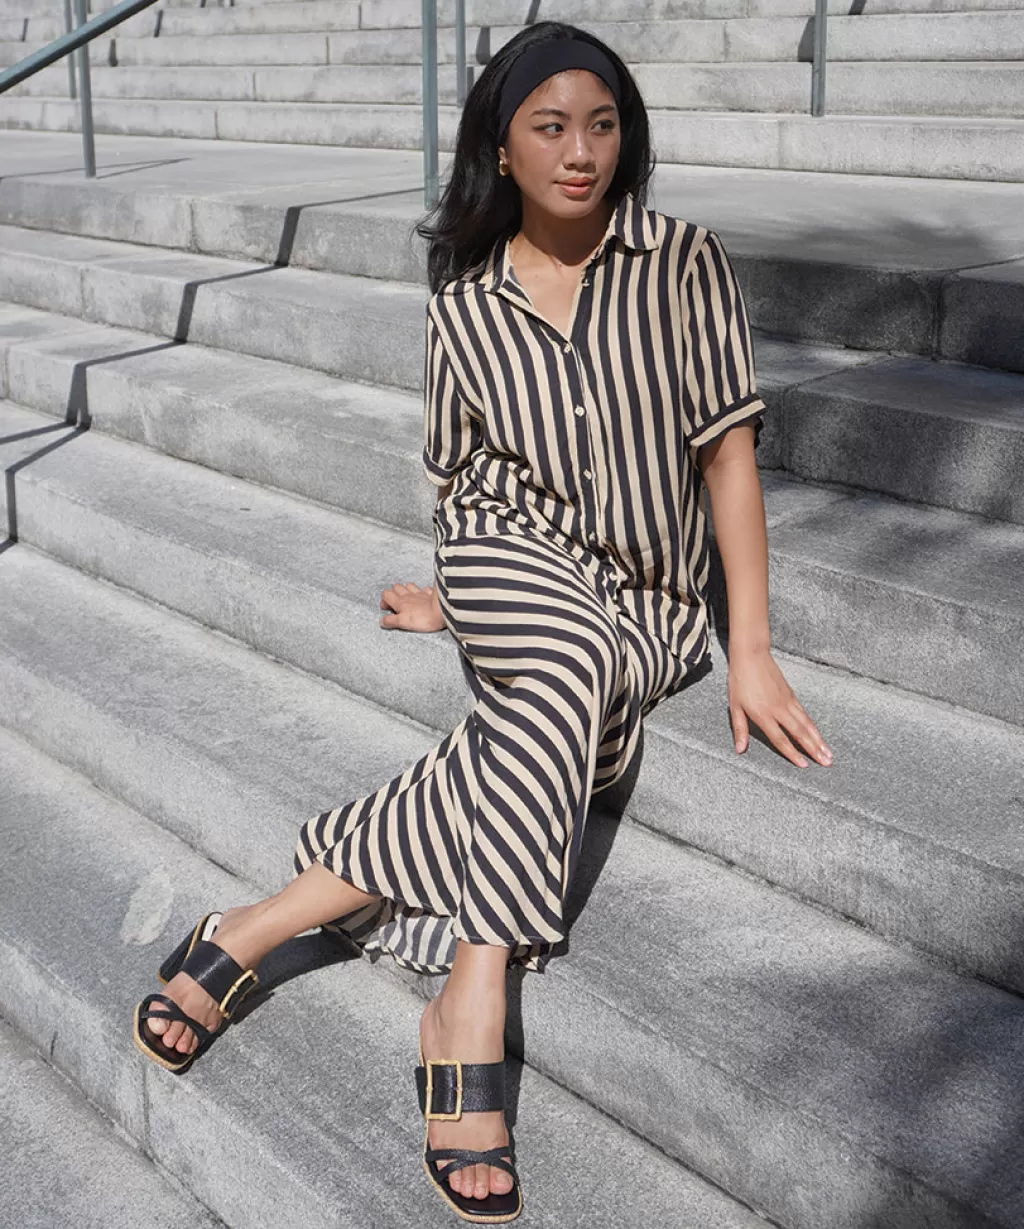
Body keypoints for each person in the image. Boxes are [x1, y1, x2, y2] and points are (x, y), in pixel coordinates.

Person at [131, 20, 833, 1226]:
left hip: (648, 595)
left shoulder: (681, 261)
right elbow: (465, 481)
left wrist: (751, 649)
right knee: (561, 661)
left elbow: (727, 455)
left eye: (602, 126)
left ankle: (262, 920)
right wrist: (460, 590)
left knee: (561, 687)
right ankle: (470, 998)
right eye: (549, 128)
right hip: (507, 551)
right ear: (502, 148)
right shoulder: (462, 306)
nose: (581, 153)